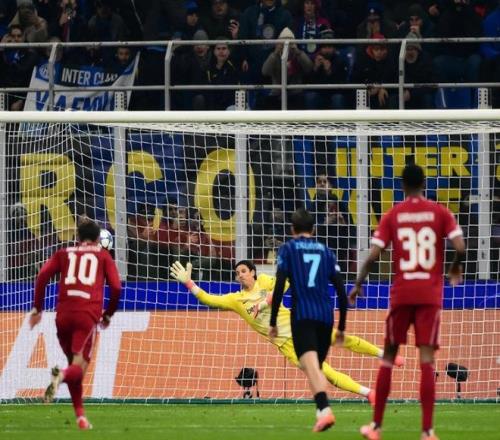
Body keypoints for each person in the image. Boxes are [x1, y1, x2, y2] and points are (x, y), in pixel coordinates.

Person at [170, 258, 405, 405]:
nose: (240, 275)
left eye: (243, 271)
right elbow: (209, 299)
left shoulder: (265, 281)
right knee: (326, 373)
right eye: (237, 272)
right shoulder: (236, 300)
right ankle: (369, 393)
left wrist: (264, 303)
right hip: (288, 345)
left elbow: (288, 283)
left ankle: (386, 354)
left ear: (252, 272)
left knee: (344, 339)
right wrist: (189, 283)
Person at [349, 164, 466, 440]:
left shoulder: (393, 215)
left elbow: (373, 255)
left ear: (402, 186)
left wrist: (358, 283)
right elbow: (460, 246)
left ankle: (376, 427)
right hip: (429, 295)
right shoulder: (440, 212)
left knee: (388, 357)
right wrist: (454, 268)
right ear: (424, 184)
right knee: (427, 360)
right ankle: (427, 431)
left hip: (402, 294)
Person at [29, 219, 122, 430]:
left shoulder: (63, 253)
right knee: (78, 368)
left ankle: (81, 417)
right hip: (86, 316)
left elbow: (42, 276)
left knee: (74, 366)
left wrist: (37, 309)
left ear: (77, 237)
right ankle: (60, 375)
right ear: (98, 239)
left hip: (62, 316)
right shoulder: (103, 255)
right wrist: (108, 315)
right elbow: (116, 288)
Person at [268, 207, 344, 432]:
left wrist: (273, 321)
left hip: (303, 314)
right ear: (314, 228)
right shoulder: (326, 251)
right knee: (314, 366)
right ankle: (321, 413)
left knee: (309, 364)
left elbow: (280, 285)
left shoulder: (288, 249)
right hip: (326, 316)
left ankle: (325, 409)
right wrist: (342, 326)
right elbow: (341, 290)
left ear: (292, 229)